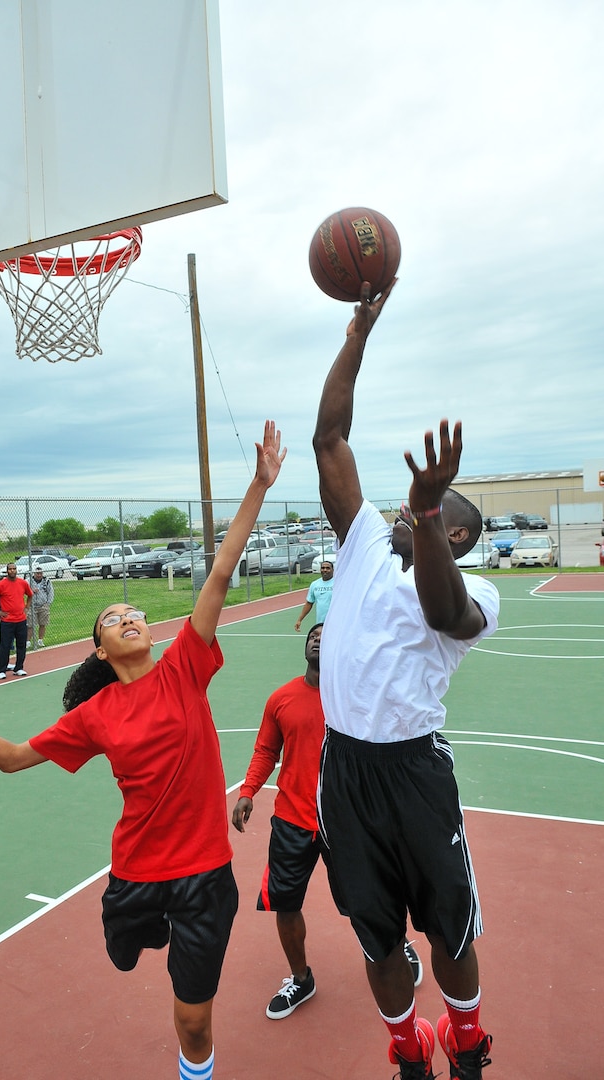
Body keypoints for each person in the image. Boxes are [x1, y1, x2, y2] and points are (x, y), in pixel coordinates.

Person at [0, 420, 286, 1080]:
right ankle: (140, 925)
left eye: (133, 613)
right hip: (135, 874)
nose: (129, 617)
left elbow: (221, 568)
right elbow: (14, 757)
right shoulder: (96, 713)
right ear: (101, 649)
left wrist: (258, 483)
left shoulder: (186, 665)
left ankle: (194, 1069)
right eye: (113, 618)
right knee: (122, 953)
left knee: (195, 1017)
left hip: (203, 876)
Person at [312, 281, 499, 1080]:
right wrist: (358, 332)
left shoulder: (475, 590)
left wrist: (422, 520)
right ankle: (406, 1050)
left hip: (415, 771)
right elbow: (330, 438)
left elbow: (444, 609)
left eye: (423, 507)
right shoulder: (359, 544)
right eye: (405, 501)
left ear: (452, 530)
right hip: (345, 770)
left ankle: (465, 1040)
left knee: (450, 933)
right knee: (375, 935)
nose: (398, 505)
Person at [232, 624, 422, 1022]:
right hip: (291, 820)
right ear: (305, 649)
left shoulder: (354, 696)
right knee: (284, 904)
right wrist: (248, 790)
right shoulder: (280, 699)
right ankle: (301, 979)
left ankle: (398, 943)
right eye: (311, 635)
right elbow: (266, 749)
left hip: (347, 820)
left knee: (367, 900)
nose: (317, 637)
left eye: (326, 634)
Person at [0, 564, 33, 678]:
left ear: (16, 570)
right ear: (7, 571)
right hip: (7, 621)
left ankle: (19, 668)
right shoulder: (1, 584)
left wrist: (27, 607)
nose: (12, 571)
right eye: (10, 569)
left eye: (14, 569)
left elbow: (30, 595)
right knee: (5, 646)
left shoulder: (23, 583)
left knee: (21, 645)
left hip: (21, 620)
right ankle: (1, 670)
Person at [293, 559, 334, 631]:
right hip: (320, 623)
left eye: (328, 568)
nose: (325, 570)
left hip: (336, 622)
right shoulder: (314, 584)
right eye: (323, 568)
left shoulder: (338, 583)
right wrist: (299, 620)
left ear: (332, 570)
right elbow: (309, 603)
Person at [27, 566, 54, 649]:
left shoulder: (47, 581)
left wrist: (48, 603)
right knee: (30, 624)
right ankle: (28, 641)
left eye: (40, 573)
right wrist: (31, 591)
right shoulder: (28, 581)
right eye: (37, 573)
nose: (39, 575)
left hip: (43, 605)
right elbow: (23, 591)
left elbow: (51, 592)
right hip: (32, 605)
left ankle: (40, 640)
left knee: (43, 623)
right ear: (34, 573)